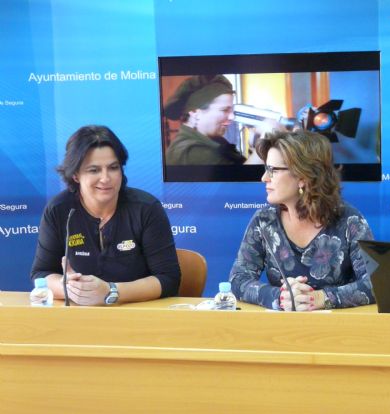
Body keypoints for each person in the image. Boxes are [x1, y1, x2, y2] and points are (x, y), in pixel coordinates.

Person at [31, 125, 181, 305]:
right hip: (80, 316)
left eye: (113, 167)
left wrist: (112, 291)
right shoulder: (59, 210)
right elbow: (41, 274)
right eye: (94, 170)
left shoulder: (146, 208)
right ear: (75, 175)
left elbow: (169, 279)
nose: (105, 178)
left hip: (138, 313)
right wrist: (69, 287)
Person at [229, 130, 374, 311]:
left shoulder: (349, 220)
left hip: (339, 325)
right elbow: (238, 279)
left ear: (302, 177)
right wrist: (280, 297)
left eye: (273, 170)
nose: (264, 178)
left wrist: (320, 298)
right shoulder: (264, 220)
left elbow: (375, 283)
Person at [164, 74, 246, 165]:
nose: (232, 117)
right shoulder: (190, 153)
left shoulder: (212, 139)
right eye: (224, 110)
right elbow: (240, 174)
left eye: (231, 110)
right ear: (195, 112)